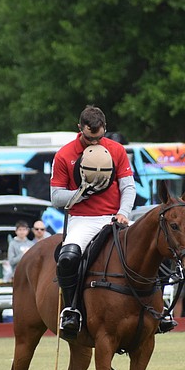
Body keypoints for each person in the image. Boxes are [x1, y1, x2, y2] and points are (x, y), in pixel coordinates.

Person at [50, 105, 136, 339]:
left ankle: (157, 310)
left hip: (114, 217)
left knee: (150, 245)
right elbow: (56, 197)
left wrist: (124, 212)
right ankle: (71, 310)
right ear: (80, 129)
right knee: (67, 257)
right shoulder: (64, 154)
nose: (94, 143)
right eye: (89, 138)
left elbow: (128, 186)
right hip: (83, 219)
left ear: (105, 130)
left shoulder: (117, 150)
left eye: (99, 138)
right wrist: (80, 193)